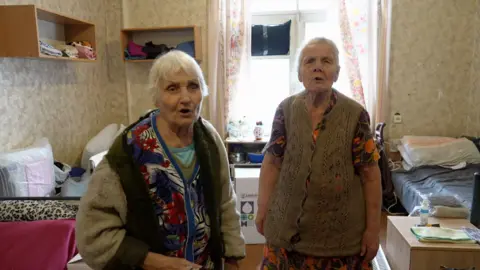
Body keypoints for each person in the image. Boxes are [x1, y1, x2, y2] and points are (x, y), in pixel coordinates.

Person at [76, 50, 245, 270]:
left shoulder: (209, 138)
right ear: (155, 96)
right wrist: (157, 262)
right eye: (172, 88)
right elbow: (92, 234)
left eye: (193, 86)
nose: (185, 98)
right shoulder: (129, 148)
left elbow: (226, 202)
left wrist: (232, 258)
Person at [256, 37, 382, 269]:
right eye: (309, 61)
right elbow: (272, 162)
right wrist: (262, 209)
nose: (317, 67)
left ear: (336, 73)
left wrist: (373, 230)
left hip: (339, 244)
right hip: (284, 239)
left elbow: (370, 175)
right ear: (299, 74)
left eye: (326, 61)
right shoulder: (285, 109)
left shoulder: (355, 114)